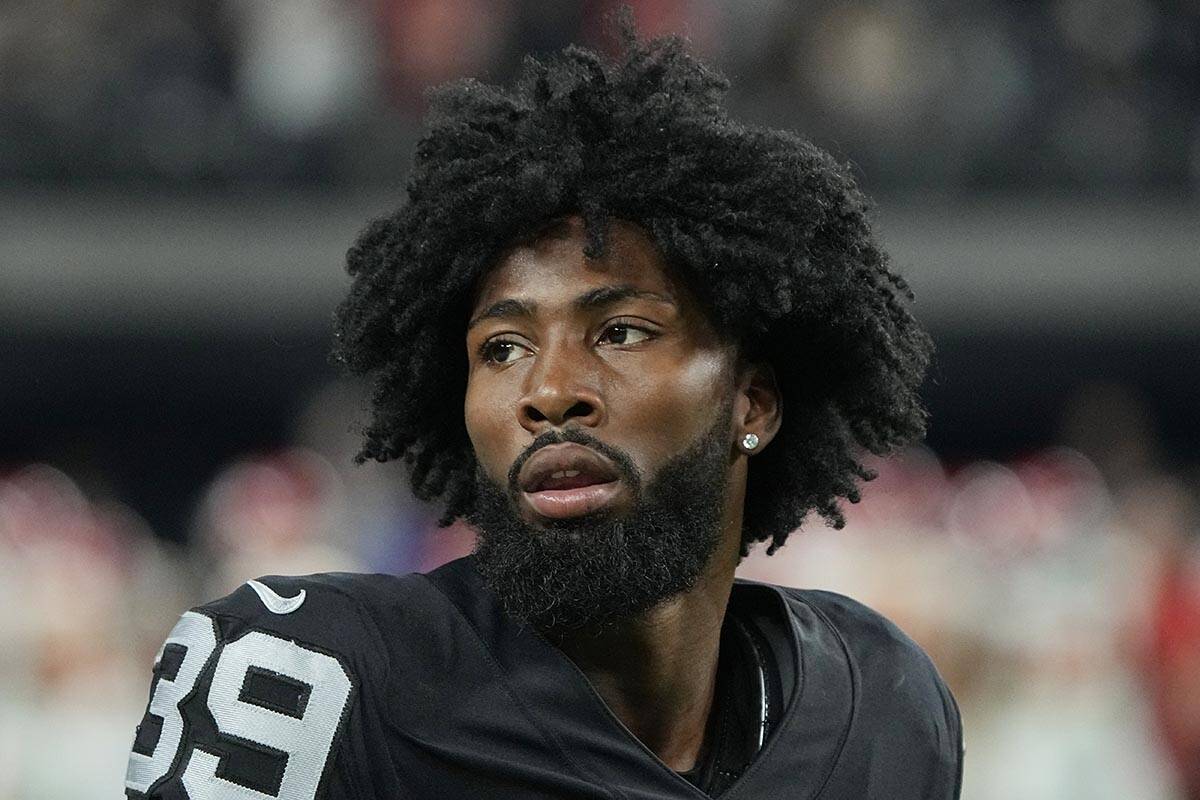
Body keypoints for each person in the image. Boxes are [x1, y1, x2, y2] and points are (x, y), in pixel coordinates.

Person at [124, 22, 962, 800]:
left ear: (756, 400)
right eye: (502, 348)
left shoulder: (887, 705)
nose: (550, 391)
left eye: (621, 331)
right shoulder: (303, 681)